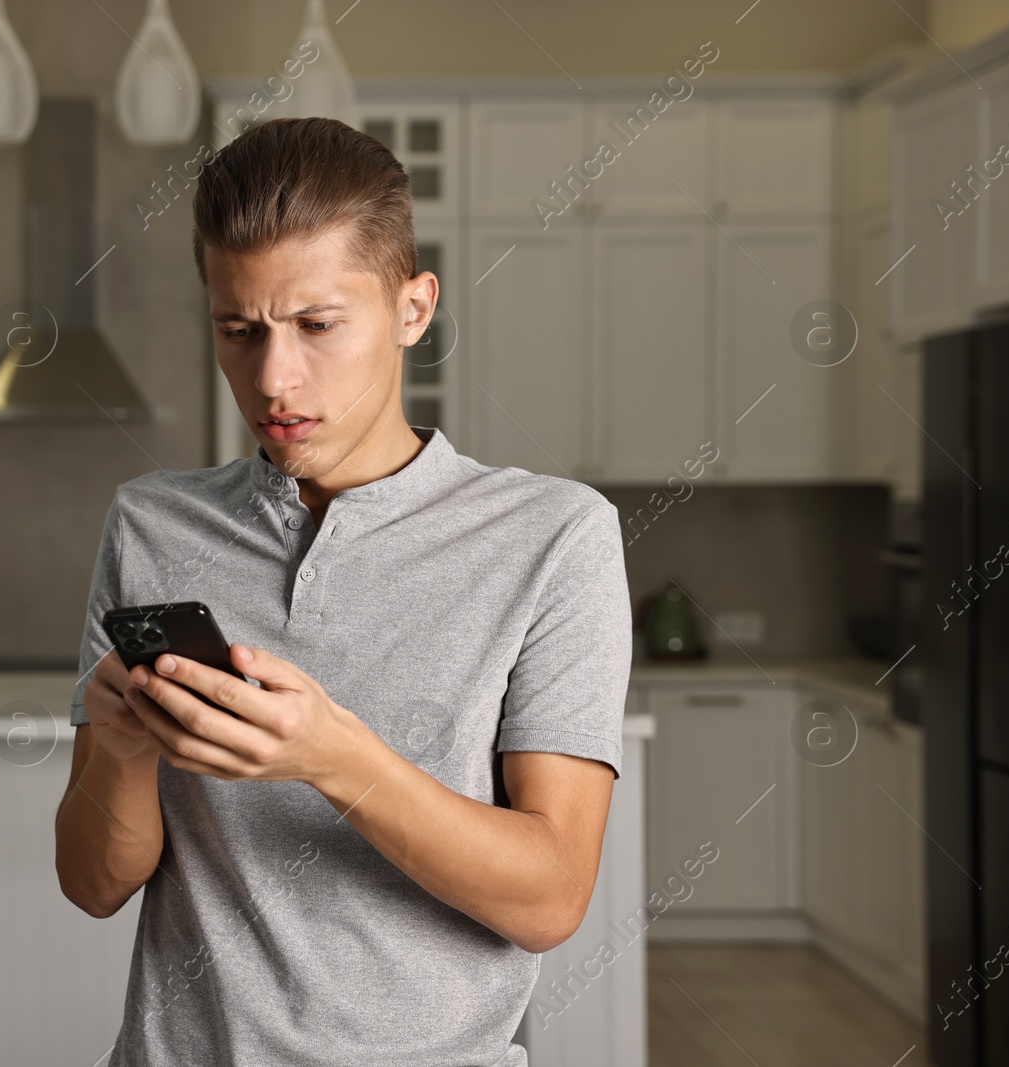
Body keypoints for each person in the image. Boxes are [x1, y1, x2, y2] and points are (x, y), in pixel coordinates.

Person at [54, 115, 631, 1066]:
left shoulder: (553, 536)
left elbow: (551, 896)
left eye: (318, 326)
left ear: (413, 309)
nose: (274, 377)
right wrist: (117, 748)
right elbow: (93, 882)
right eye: (239, 331)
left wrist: (334, 757)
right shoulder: (152, 523)